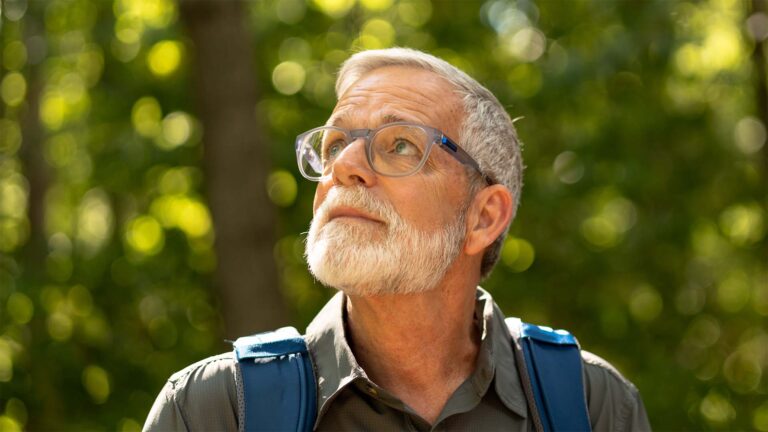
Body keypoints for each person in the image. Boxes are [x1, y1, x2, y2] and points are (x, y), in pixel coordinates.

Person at [143, 47, 651, 431]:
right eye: (336, 143)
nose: (344, 167)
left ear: (483, 217)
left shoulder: (589, 403)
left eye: (400, 145)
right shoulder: (213, 410)